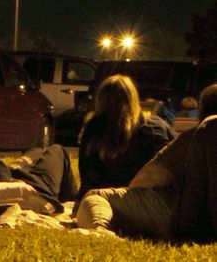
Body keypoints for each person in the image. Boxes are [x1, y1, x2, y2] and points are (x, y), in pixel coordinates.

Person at [76, 83, 217, 242]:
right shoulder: (156, 126)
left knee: (97, 196)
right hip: (201, 222)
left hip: (182, 216)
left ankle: (99, 231)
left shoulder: (199, 135)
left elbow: (148, 178)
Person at [77, 74, 175, 200]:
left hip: (100, 198)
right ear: (133, 98)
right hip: (143, 199)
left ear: (100, 99)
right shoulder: (155, 126)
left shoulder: (94, 128)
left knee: (57, 152)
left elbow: (86, 173)